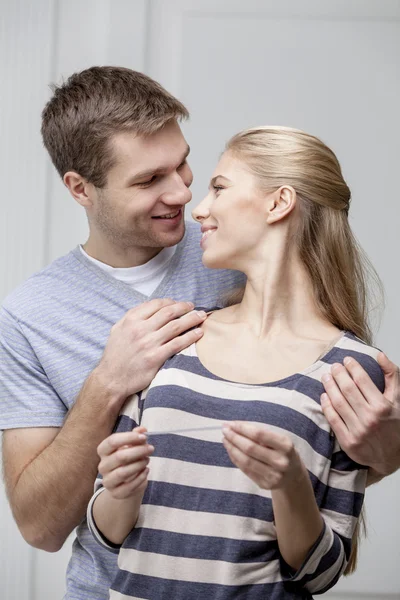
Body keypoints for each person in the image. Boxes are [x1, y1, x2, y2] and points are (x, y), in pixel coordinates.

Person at [0, 66, 399, 599]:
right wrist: (107, 384)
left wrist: (387, 448)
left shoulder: (238, 247)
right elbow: (39, 527)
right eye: (147, 180)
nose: (185, 196)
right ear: (81, 189)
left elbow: (321, 454)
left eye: (183, 164)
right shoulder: (31, 315)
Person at [88, 126, 388, 599]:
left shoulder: (351, 371)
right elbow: (108, 532)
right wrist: (120, 492)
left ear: (278, 203)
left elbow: (321, 573)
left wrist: (290, 485)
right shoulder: (175, 338)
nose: (199, 207)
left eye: (219, 188)